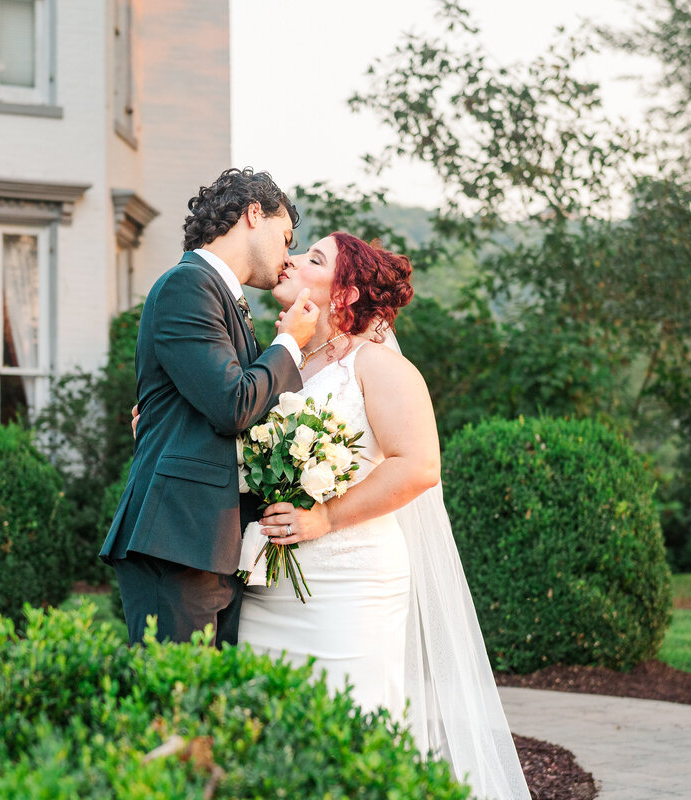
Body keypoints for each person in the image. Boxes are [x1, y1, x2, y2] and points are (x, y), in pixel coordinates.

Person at [237, 232, 531, 800]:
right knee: (264, 735)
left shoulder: (378, 368)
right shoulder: (276, 360)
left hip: (350, 585)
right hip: (269, 586)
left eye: (315, 258)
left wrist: (322, 519)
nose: (292, 260)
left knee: (347, 734)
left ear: (343, 293)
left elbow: (418, 466)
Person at [99, 167, 319, 647]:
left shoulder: (225, 297)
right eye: (285, 237)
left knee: (205, 712)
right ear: (253, 214)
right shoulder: (188, 285)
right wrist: (288, 346)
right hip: (177, 538)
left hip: (210, 541)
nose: (287, 256)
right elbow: (233, 404)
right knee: (172, 709)